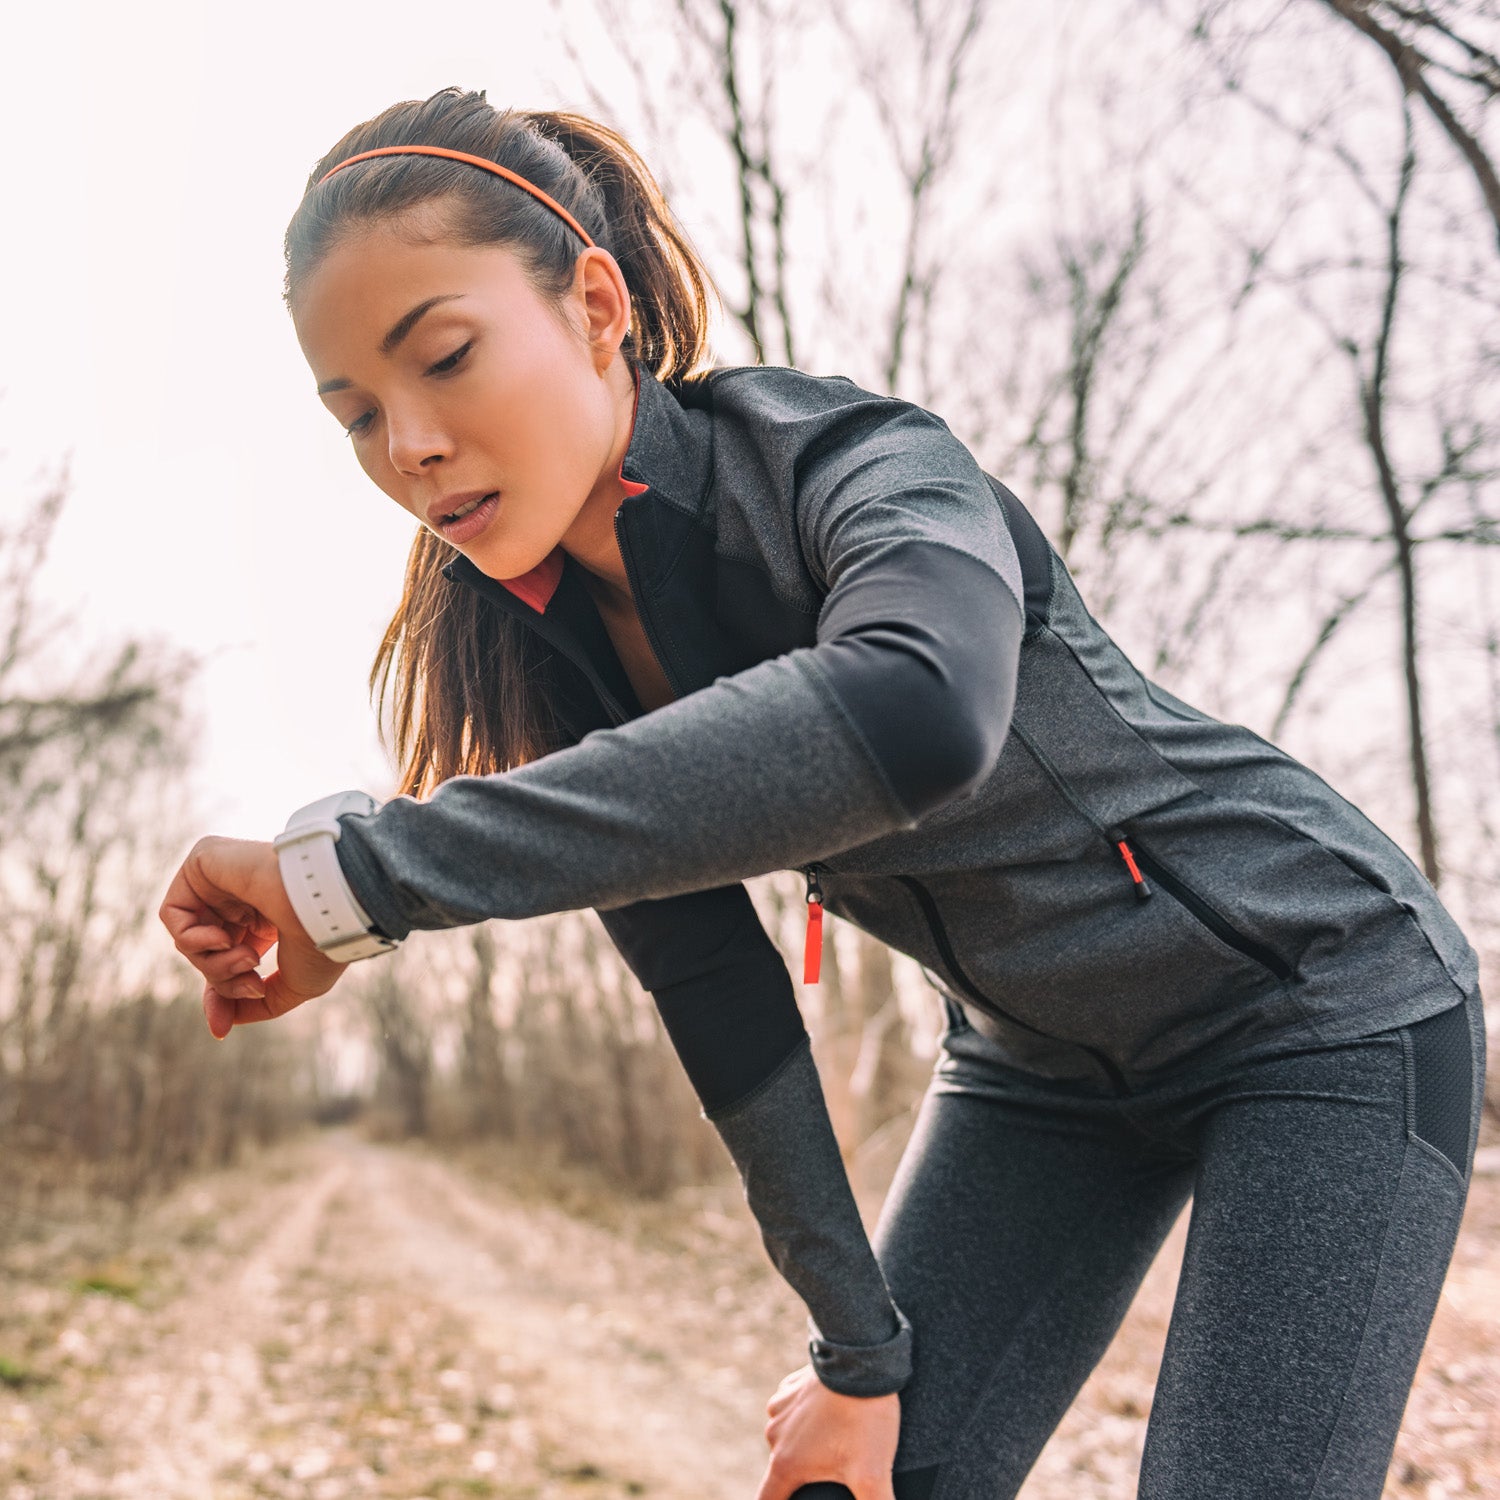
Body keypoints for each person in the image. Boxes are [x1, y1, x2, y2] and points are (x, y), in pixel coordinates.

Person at [158, 86, 1488, 1500]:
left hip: (1318, 1002)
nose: (407, 446)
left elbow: (916, 715)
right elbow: (720, 998)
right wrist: (857, 1358)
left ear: (596, 305)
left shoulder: (850, 466)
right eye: (357, 413)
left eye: (448, 358)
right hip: (1037, 1071)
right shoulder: (551, 656)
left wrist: (359, 880)